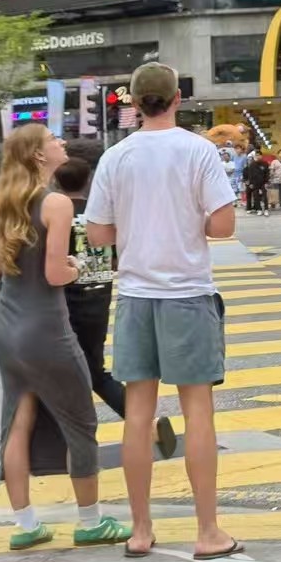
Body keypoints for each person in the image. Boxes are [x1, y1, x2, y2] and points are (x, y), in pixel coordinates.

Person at [85, 63, 242, 561]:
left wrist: (136, 227)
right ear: (177, 98)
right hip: (188, 294)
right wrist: (188, 223)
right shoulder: (198, 150)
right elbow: (223, 226)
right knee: (198, 413)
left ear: (133, 104)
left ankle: (140, 530)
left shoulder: (116, 156)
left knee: (137, 415)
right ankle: (207, 532)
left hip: (135, 296)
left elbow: (97, 233)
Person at [0, 125, 132, 552]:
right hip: (46, 330)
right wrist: (76, 267)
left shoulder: (5, 202)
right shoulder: (56, 203)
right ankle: (91, 522)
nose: (61, 142)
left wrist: (24, 261)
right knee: (81, 424)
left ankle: (26, 525)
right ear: (38, 155)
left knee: (16, 423)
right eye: (52, 139)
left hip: (5, 329)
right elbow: (55, 275)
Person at [52, 159, 177, 461]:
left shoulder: (56, 213)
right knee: (92, 369)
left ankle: (69, 442)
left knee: (71, 372)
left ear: (56, 183)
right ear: (89, 182)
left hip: (65, 301)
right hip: (99, 297)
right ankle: (142, 423)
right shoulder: (100, 215)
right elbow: (119, 256)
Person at [245, 148, 270, 217]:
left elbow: (267, 174)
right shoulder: (252, 164)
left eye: (259, 155)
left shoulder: (265, 164)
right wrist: (251, 183)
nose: (258, 156)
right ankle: (259, 209)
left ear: (261, 156)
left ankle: (266, 210)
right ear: (255, 156)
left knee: (264, 196)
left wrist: (267, 182)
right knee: (256, 196)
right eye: (256, 155)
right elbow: (250, 175)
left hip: (263, 183)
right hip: (255, 183)